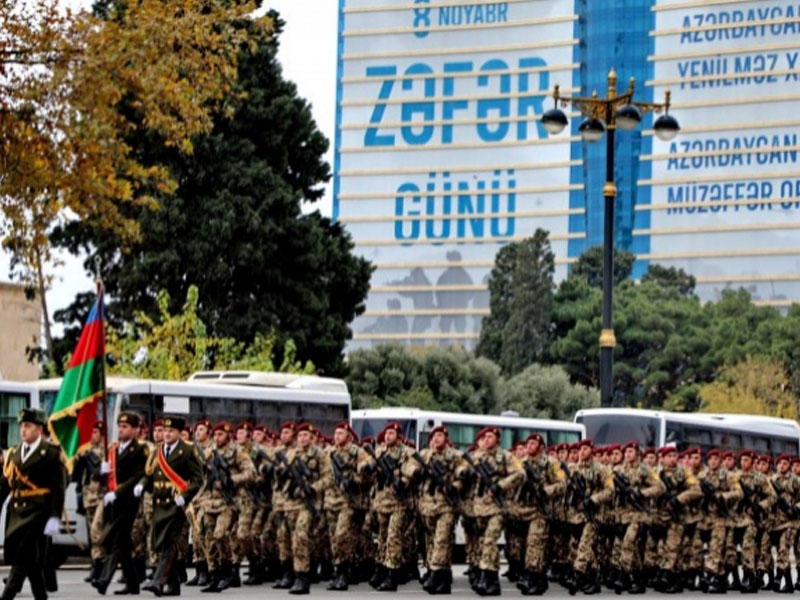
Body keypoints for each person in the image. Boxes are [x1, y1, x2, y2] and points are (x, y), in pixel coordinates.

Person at [0, 408, 68, 600]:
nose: (23, 430)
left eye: (28, 426)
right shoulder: (13, 453)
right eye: (21, 426)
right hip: (16, 513)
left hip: (38, 514)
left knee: (21, 557)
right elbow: (5, 485)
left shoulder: (50, 454)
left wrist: (55, 516)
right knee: (31, 563)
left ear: (39, 429)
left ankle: (6, 596)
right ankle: (41, 596)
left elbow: (58, 488)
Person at [136, 416, 204, 597]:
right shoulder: (157, 450)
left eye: (171, 431)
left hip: (176, 505)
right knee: (159, 544)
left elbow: (199, 479)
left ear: (179, 433)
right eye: (164, 430)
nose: (166, 434)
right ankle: (173, 586)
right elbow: (148, 474)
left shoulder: (188, 450)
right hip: (159, 503)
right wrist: (141, 485)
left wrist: (185, 497)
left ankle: (158, 581)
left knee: (169, 543)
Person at [92, 412, 150, 595]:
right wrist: (101, 471)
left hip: (129, 501)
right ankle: (133, 585)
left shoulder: (140, 449)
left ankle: (103, 579)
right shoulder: (113, 449)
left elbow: (139, 475)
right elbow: (99, 478)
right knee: (123, 544)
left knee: (117, 540)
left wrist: (118, 492)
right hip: (112, 502)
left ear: (135, 430)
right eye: (120, 426)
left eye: (125, 427)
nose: (121, 429)